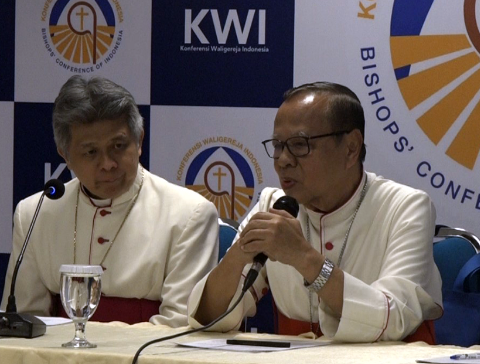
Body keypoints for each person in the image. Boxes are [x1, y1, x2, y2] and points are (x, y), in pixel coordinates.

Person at [187, 82, 443, 342]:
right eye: (278, 145)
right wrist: (239, 254)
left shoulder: (406, 207)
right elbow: (208, 318)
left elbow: (394, 318)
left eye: (299, 144)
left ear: (351, 148)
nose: (284, 160)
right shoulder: (273, 206)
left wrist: (303, 257)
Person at [1, 75, 219, 327]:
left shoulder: (189, 214)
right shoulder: (34, 213)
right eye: (91, 152)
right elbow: (24, 322)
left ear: (139, 141)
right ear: (65, 155)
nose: (108, 164)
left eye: (118, 146)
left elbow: (176, 329)